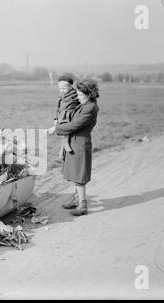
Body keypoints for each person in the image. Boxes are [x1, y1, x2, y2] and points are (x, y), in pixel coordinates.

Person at [51, 79, 99, 216]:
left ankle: (83, 205)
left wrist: (56, 129)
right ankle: (78, 198)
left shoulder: (90, 108)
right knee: (74, 172)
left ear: (89, 94)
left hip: (80, 144)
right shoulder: (85, 105)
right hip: (75, 141)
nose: (77, 97)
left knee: (79, 176)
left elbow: (74, 125)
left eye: (80, 94)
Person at [53, 75, 80, 160]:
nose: (62, 91)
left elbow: (79, 104)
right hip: (62, 116)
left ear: (71, 87)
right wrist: (56, 118)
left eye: (64, 88)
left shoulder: (75, 94)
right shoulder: (60, 96)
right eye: (60, 89)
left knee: (67, 129)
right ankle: (64, 146)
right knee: (63, 131)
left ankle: (64, 146)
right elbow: (57, 108)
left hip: (70, 115)